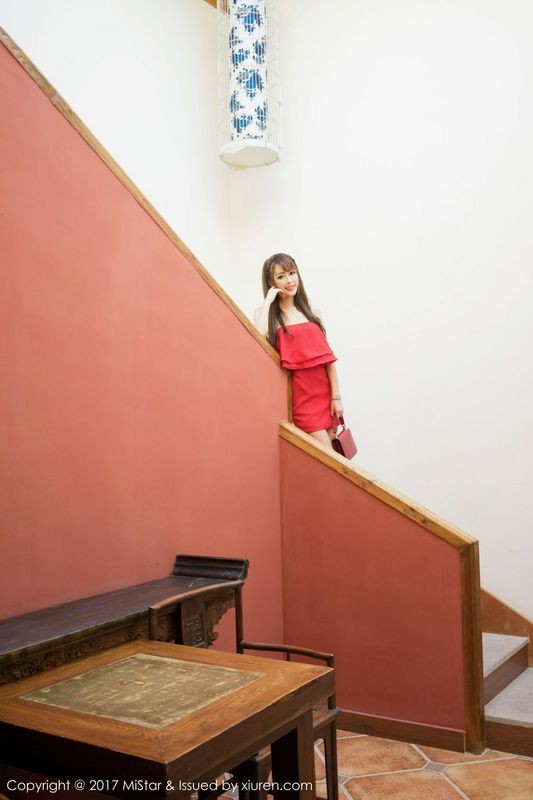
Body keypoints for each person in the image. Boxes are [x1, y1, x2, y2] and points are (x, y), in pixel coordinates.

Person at [253, 253, 343, 449]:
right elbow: (258, 336)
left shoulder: (312, 311)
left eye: (292, 273)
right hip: (301, 401)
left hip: (325, 396)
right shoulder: (266, 315)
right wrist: (268, 301)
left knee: (332, 460)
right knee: (329, 459)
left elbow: (328, 360)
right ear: (271, 282)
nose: (289, 280)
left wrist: (336, 398)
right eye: (281, 276)